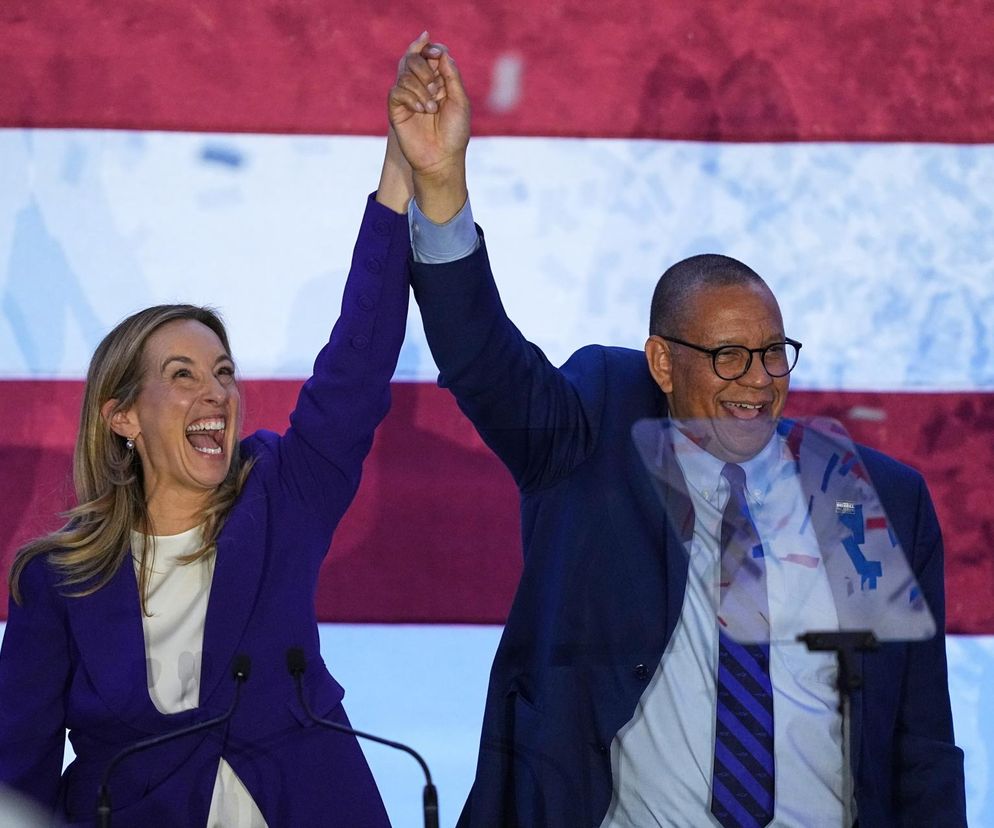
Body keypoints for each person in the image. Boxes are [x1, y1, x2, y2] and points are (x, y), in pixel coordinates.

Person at [388, 37, 967, 827]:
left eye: (772, 354)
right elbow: (483, 360)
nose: (759, 379)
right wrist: (442, 187)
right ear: (662, 361)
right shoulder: (594, 437)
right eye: (728, 357)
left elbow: (921, 747)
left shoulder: (867, 500)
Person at [0, 68, 425, 826]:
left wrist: (398, 178)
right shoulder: (58, 581)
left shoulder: (279, 497)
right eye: (183, 375)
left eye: (224, 373)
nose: (216, 394)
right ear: (122, 415)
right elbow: (18, 775)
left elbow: (355, 370)